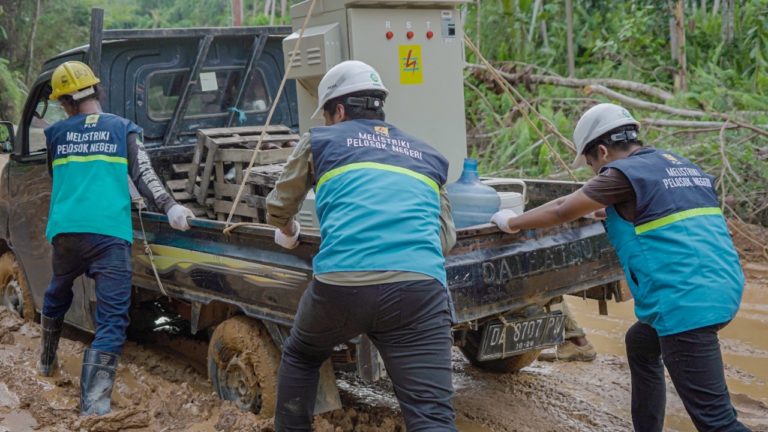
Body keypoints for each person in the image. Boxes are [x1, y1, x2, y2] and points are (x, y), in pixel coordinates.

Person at [490, 103, 748, 432]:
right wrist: (609, 210)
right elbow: (659, 211)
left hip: (685, 302)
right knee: (640, 343)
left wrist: (512, 222)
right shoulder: (678, 165)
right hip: (722, 286)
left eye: (592, 165)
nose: (595, 173)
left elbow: (561, 209)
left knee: (717, 421)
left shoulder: (623, 174)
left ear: (602, 151)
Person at [266, 60, 457, 431]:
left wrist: (287, 230)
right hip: (418, 291)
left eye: (326, 116)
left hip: (342, 286)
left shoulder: (320, 141)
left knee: (302, 356)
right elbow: (445, 240)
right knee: (432, 415)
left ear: (338, 111)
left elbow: (278, 207)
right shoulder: (428, 154)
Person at [39, 61, 195, 416]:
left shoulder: (56, 134)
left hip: (65, 232)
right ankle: (93, 408)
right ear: (96, 90)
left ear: (65, 102)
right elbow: (144, 175)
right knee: (111, 321)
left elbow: (57, 177)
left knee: (57, 290)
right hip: (109, 234)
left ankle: (46, 362)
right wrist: (170, 207)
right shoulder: (122, 128)